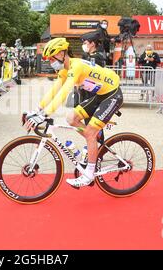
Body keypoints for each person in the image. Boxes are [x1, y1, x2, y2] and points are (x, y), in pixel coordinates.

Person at [24, 38, 123, 188]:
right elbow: (54, 90)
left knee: (90, 133)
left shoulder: (75, 67)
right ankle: (93, 143)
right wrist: (37, 110)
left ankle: (89, 174)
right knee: (71, 118)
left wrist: (45, 114)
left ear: (63, 53)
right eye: (49, 59)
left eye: (53, 57)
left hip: (112, 95)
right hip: (100, 95)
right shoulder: (64, 70)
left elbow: (64, 93)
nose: (51, 61)